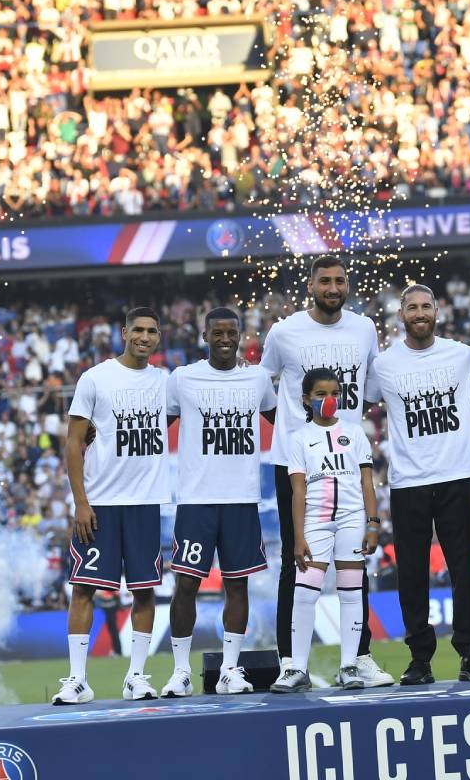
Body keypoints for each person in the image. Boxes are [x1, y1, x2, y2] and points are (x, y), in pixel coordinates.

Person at [260, 254, 393, 687]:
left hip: (348, 462)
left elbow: (373, 385)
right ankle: (289, 662)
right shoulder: (284, 332)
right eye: (325, 282)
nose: (333, 288)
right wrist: (291, 434)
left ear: (347, 284)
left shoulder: (364, 328)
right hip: (296, 464)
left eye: (339, 281)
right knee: (294, 565)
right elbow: (264, 387)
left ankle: (359, 658)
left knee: (354, 565)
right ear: (311, 285)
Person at [363, 283, 470, 685]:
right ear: (401, 315)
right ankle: (419, 658)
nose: (420, 313)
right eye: (412, 307)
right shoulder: (383, 365)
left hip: (455, 475)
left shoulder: (463, 355)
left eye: (426, 307)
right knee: (413, 574)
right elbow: (358, 403)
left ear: (437, 312)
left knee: (463, 570)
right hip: (407, 482)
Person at [53, 307, 169, 705]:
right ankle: (77, 680)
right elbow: (72, 443)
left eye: (152, 331)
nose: (144, 336)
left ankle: (136, 676)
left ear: (159, 337)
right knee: (83, 589)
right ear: (123, 332)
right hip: (100, 504)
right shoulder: (96, 378)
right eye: (137, 329)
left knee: (144, 591)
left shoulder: (165, 382)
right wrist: (80, 503)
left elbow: (166, 421)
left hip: (144, 503)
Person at [161, 308, 277, 697]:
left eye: (232, 332)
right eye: (218, 332)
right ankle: (180, 672)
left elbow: (283, 421)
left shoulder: (258, 378)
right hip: (196, 500)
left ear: (241, 336)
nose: (225, 338)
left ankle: (229, 669)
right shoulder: (182, 378)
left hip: (242, 500)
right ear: (205, 335)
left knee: (237, 586)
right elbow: (157, 425)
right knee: (186, 586)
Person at [271, 368, 380, 692]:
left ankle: (349, 666)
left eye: (334, 393)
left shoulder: (355, 433)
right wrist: (298, 536)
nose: (329, 400)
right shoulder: (299, 438)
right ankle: (296, 668)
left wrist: (373, 523)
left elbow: (366, 481)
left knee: (351, 592)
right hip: (315, 521)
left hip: (351, 518)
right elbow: (298, 490)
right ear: (306, 399)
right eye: (320, 394)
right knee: (304, 593)